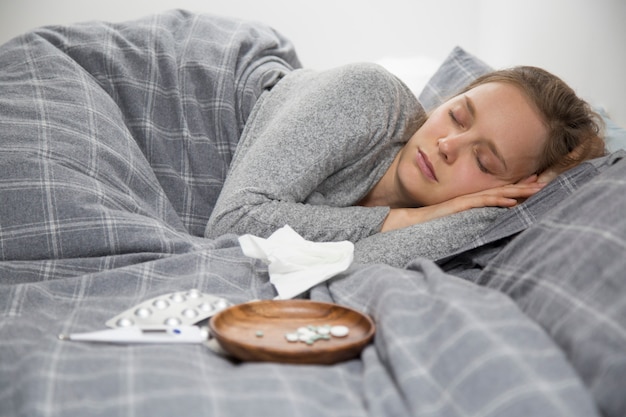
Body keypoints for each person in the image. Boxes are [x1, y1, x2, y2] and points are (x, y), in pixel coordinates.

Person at [205, 63, 605, 242]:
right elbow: (232, 222)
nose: (448, 145)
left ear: (512, 188)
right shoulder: (368, 95)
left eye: (483, 161)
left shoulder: (468, 221)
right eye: (457, 116)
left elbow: (360, 266)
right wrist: (412, 216)